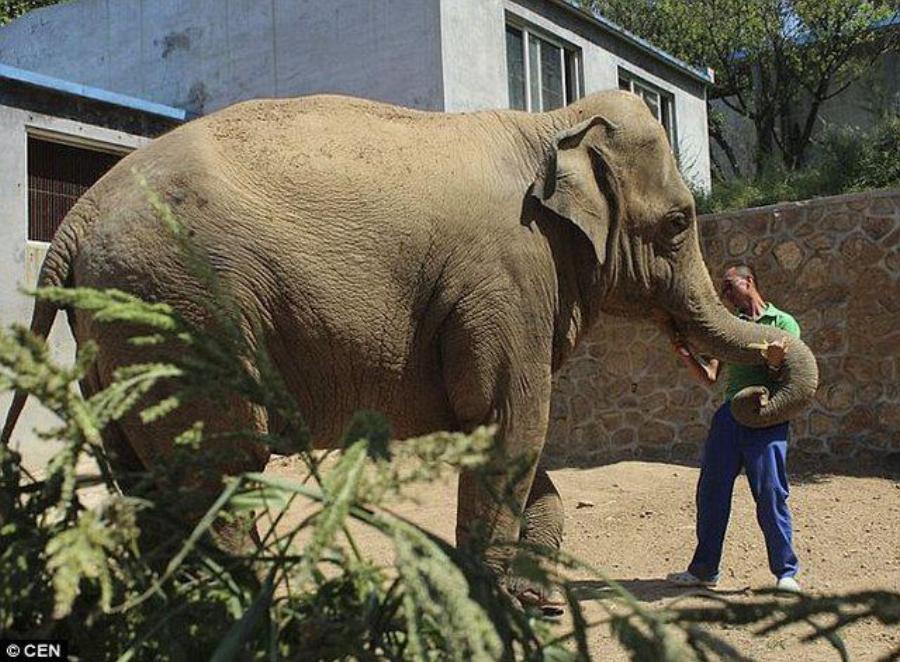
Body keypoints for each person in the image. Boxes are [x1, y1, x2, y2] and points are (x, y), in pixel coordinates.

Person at [666, 263, 802, 593]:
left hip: (766, 417)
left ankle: (786, 573)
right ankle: (704, 570)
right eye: (723, 289)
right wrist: (686, 355)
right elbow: (711, 377)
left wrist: (774, 364)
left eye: (730, 286)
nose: (725, 294)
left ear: (749, 281)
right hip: (729, 417)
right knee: (711, 492)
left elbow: (792, 376)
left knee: (770, 493)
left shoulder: (783, 323)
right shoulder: (730, 328)